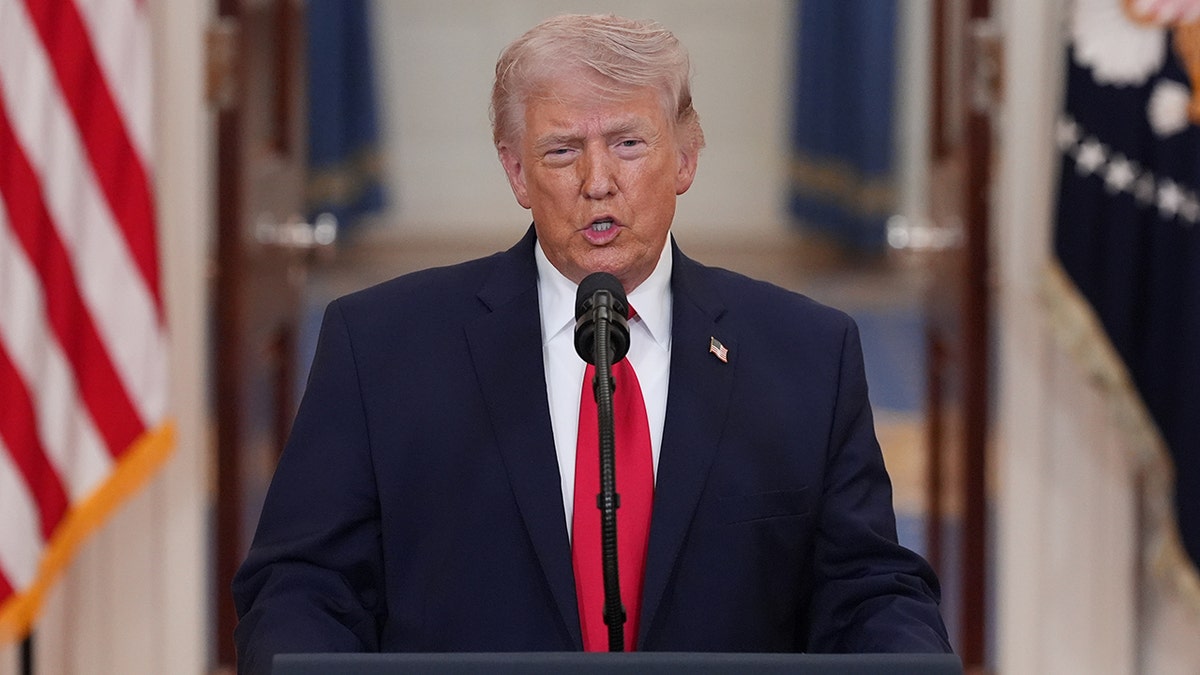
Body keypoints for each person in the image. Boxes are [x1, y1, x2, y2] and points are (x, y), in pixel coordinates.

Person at [232, 13, 951, 674]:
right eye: (561, 150)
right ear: (517, 172)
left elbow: (868, 590)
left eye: (629, 144)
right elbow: (302, 586)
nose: (597, 182)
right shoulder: (380, 349)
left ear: (686, 158)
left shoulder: (808, 354)